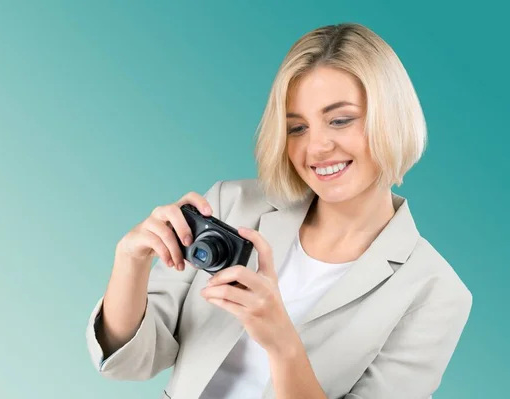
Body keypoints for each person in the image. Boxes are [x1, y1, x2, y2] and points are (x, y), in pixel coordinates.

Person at [85, 22, 472, 399]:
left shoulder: (435, 292)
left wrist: (282, 344)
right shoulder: (231, 205)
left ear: (392, 120)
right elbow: (131, 360)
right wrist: (130, 262)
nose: (317, 148)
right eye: (297, 128)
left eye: (340, 120)